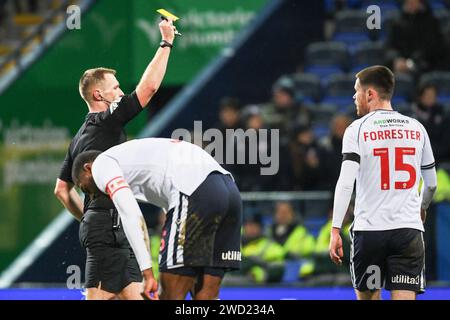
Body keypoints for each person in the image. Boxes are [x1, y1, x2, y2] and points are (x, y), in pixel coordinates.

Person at [53, 19, 176, 300]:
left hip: (110, 225)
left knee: (139, 295)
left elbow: (61, 190)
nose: (121, 92)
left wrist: (88, 218)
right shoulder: (107, 120)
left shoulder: (78, 138)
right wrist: (166, 42)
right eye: (116, 88)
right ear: (99, 95)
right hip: (110, 225)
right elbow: (149, 89)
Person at [71, 138, 242, 300]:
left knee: (169, 294)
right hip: (230, 191)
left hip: (193, 189)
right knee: (206, 295)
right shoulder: (133, 161)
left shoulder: (101, 164)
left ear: (88, 168)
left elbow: (130, 214)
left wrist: (147, 273)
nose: (91, 195)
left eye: (83, 187)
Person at [329, 65, 437, 300]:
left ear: (370, 94)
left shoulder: (357, 129)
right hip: (408, 231)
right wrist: (422, 208)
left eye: (356, 91)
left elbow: (346, 182)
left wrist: (336, 228)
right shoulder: (417, 129)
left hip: (370, 231)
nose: (353, 97)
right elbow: (431, 184)